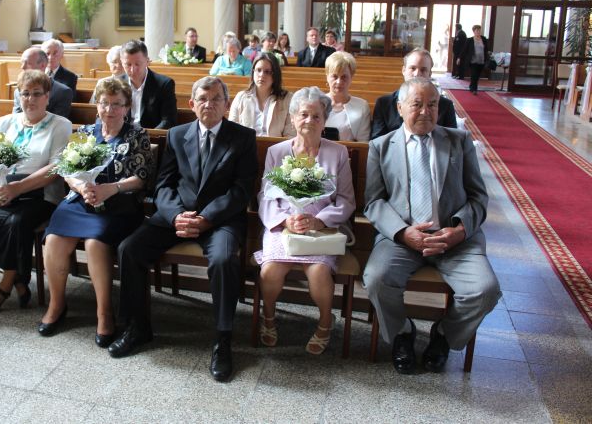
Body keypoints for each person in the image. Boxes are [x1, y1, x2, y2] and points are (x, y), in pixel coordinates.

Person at [108, 76, 257, 383]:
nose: (209, 104)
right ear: (191, 104)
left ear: (227, 105)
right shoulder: (177, 135)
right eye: (202, 99)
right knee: (129, 249)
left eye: (216, 99)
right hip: (177, 215)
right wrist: (176, 216)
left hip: (221, 219)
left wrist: (207, 218)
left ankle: (223, 340)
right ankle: (138, 327)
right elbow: (163, 185)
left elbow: (241, 190)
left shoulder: (242, 137)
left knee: (223, 260)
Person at [363, 78, 500, 374]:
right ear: (400, 108)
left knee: (485, 290)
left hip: (454, 241)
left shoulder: (459, 141)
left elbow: (478, 197)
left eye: (432, 104)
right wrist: (403, 233)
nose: (425, 111)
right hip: (402, 239)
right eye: (417, 104)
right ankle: (402, 332)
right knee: (376, 279)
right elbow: (374, 202)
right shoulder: (381, 147)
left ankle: (444, 335)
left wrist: (459, 231)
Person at [38, 77, 155, 341]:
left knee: (94, 243)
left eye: (116, 104)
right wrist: (82, 188)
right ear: (97, 105)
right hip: (81, 200)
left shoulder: (136, 135)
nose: (109, 109)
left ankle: (104, 313)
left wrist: (111, 188)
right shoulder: (85, 133)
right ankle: (57, 304)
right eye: (104, 103)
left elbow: (142, 178)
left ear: (127, 107)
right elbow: (67, 170)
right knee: (54, 240)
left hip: (119, 205)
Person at [0, 70, 71, 313]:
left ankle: (5, 284)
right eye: (25, 93)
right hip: (1, 187)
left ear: (47, 96)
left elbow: (56, 168)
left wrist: (17, 188)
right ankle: (19, 278)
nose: (30, 99)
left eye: (37, 94)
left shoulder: (60, 124)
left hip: (39, 192)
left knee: (15, 225)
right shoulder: (5, 122)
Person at [256, 87, 355, 354]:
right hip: (283, 227)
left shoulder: (338, 153)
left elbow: (346, 200)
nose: (309, 120)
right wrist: (285, 221)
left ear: (325, 121)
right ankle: (268, 317)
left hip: (321, 230)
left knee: (318, 271)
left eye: (316, 116)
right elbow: (266, 196)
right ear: (292, 118)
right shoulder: (276, 151)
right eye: (303, 114)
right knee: (270, 270)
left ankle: (325, 322)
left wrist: (319, 221)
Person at [371, 48, 457, 140]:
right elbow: (377, 141)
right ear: (403, 70)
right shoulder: (384, 103)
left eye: (423, 70)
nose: (417, 74)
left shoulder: (446, 105)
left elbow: (452, 141)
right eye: (413, 68)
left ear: (430, 74)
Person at [228, 53, 295, 137]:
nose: (261, 75)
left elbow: (290, 134)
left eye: (267, 72)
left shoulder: (287, 98)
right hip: (245, 145)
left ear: (275, 75)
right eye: (258, 70)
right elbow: (231, 130)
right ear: (253, 72)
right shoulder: (241, 97)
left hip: (277, 145)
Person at [122, 39, 177, 129]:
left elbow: (168, 120)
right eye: (128, 64)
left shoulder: (164, 84)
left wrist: (148, 135)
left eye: (137, 64)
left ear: (147, 61)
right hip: (123, 134)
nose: (133, 70)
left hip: (151, 134)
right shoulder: (117, 83)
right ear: (122, 62)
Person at [13, 46, 72, 119]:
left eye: (28, 63)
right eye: (22, 63)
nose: (22, 67)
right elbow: (15, 118)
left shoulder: (62, 92)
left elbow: (57, 121)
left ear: (43, 65)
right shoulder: (18, 90)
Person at [324, 52, 371, 142]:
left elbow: (363, 143)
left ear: (351, 77)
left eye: (344, 77)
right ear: (327, 77)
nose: (339, 82)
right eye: (334, 76)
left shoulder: (362, 106)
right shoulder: (317, 103)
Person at [456, 25, 490, 95]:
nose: (478, 32)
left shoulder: (483, 39)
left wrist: (488, 56)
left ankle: (472, 86)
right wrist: (459, 58)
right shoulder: (470, 40)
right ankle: (474, 89)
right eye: (477, 30)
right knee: (474, 74)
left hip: (481, 60)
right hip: (473, 61)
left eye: (479, 30)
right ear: (474, 31)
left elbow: (486, 49)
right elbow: (464, 50)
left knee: (477, 76)